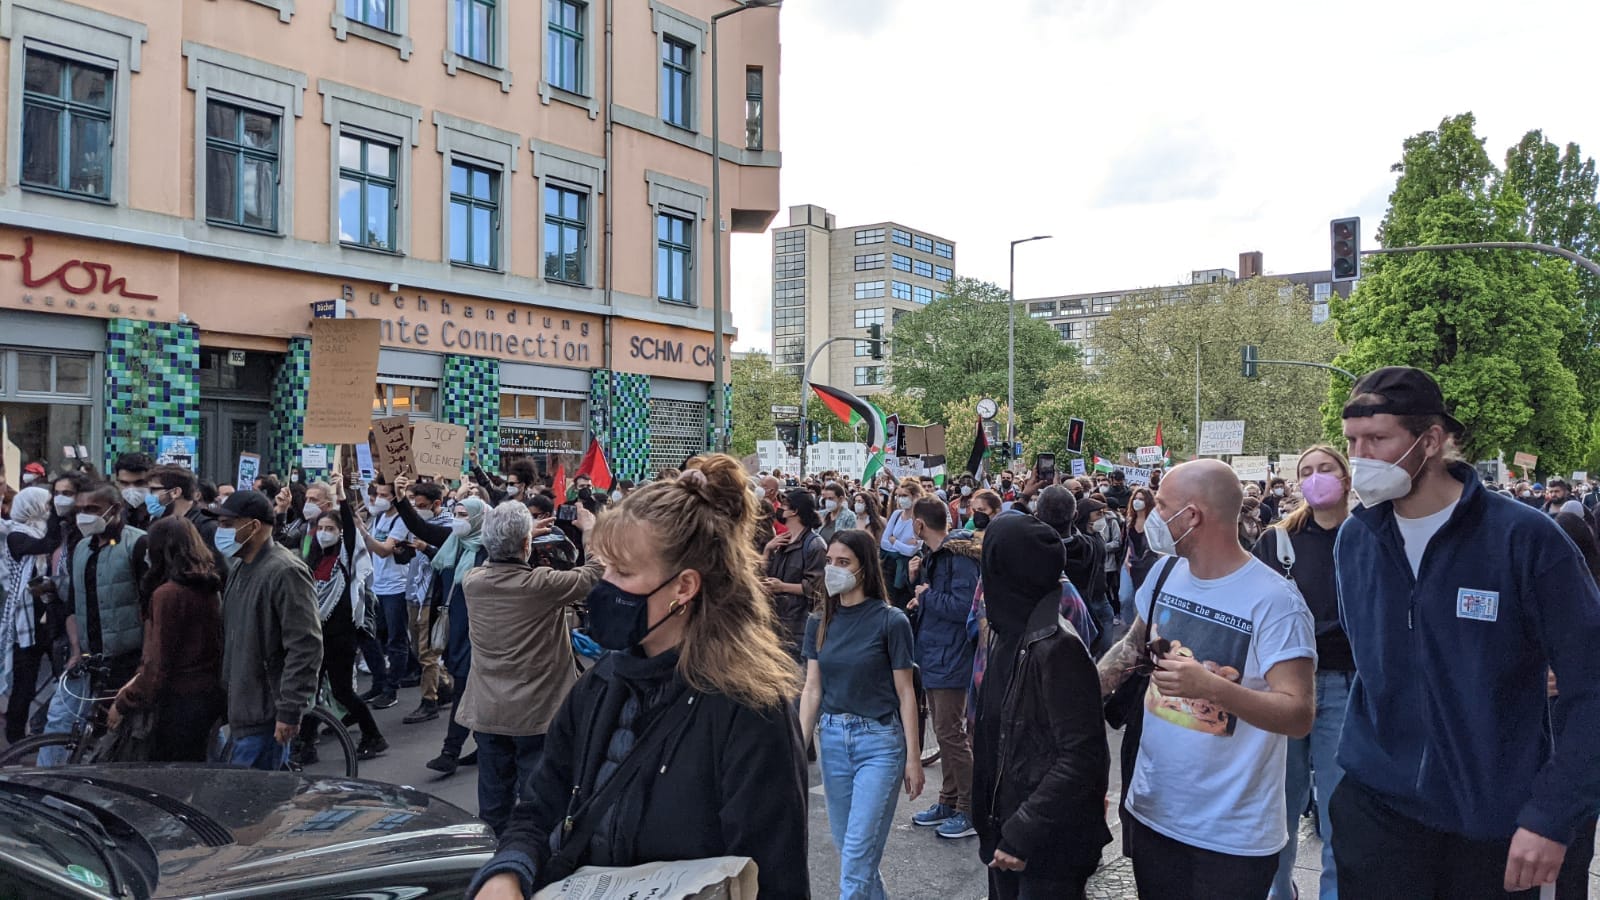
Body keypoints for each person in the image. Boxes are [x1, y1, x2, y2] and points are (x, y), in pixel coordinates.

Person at [465, 455, 808, 900]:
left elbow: (775, 879)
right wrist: (509, 872)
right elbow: (539, 806)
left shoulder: (748, 709)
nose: (604, 584)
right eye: (604, 567)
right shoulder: (600, 682)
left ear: (684, 587)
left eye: (623, 572)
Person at [1332, 366, 1600, 898]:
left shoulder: (1525, 540)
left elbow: (1591, 686)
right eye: (1352, 441)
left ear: (1430, 441)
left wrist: (1552, 813)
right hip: (1377, 812)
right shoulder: (1356, 540)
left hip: (1496, 823)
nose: (1359, 457)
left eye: (1378, 439)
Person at [1097, 460, 1315, 899]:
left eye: (1161, 505)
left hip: (1233, 836)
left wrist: (1211, 688)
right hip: (1155, 811)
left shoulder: (1275, 601)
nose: (1151, 515)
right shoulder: (1163, 574)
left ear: (1191, 515)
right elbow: (1131, 650)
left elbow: (1298, 714)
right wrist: (1067, 694)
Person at [973, 513, 1112, 900]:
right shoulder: (1011, 631)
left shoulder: (1057, 646)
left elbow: (1081, 757)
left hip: (1045, 846)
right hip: (1008, 829)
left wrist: (1021, 832)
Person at [457, 499, 603, 837]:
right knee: (536, 801)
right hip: (537, 713)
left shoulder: (472, 581)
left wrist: (516, 537)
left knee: (493, 802)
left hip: (489, 711)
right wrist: (590, 531)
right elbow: (596, 572)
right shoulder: (541, 585)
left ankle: (494, 861)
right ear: (527, 544)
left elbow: (492, 556)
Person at [798, 528, 922, 898]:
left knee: (855, 857)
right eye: (829, 561)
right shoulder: (818, 622)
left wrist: (913, 759)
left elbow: (906, 693)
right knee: (854, 853)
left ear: (864, 568)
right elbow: (812, 688)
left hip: (880, 743)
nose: (833, 569)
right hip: (833, 741)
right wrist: (797, 747)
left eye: (843, 562)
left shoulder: (891, 621)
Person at [1255, 446, 1354, 900]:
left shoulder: (1371, 535)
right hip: (1283, 687)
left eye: (1325, 469)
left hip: (1346, 686)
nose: (1316, 478)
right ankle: (1280, 892)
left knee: (1340, 812)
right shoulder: (1277, 541)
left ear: (1347, 476)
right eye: (1306, 472)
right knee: (1278, 808)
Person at [37, 482, 149, 766]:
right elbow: (74, 605)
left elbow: (150, 609)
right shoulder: (81, 547)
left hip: (127, 658)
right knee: (62, 722)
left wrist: (145, 663)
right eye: (81, 510)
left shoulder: (137, 544)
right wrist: (76, 650)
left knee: (120, 735)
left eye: (92, 509)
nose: (84, 516)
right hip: (88, 658)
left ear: (116, 510)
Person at [212, 489, 323, 771]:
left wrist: (289, 710)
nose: (220, 531)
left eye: (228, 524)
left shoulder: (285, 571)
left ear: (254, 526)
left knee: (255, 806)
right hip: (242, 708)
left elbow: (305, 645)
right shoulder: (240, 567)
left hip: (265, 713)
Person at [108, 516, 225, 762]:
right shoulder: (207, 586)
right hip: (205, 694)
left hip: (177, 700)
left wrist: (125, 702)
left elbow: (158, 662)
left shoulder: (168, 594)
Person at [394, 475, 487, 776]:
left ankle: (451, 751)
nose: (458, 519)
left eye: (464, 515)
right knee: (475, 692)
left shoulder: (487, 551)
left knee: (465, 689)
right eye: (456, 513)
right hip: (452, 630)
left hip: (478, 633)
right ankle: (487, 744)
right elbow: (420, 528)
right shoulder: (453, 543)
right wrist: (400, 500)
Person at [296, 474, 386, 763]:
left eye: (330, 528)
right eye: (321, 527)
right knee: (311, 689)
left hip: (341, 635)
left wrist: (341, 495)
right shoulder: (315, 556)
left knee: (342, 691)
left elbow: (348, 522)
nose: (323, 532)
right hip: (316, 632)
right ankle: (306, 743)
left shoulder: (345, 555)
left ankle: (373, 735)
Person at [905, 498, 980, 840]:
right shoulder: (939, 557)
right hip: (937, 650)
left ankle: (970, 807)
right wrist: (920, 591)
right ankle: (949, 800)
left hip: (951, 653)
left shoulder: (956, 557)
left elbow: (963, 606)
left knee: (951, 732)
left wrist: (927, 595)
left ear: (920, 525)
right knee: (945, 730)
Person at [0, 486, 60, 744]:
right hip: (26, 619)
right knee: (25, 684)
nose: (48, 509)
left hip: (51, 616)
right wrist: (59, 514)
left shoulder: (40, 530)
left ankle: (48, 730)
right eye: (46, 505)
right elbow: (45, 544)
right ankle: (15, 740)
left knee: (63, 675)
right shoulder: (16, 535)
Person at [355, 479, 414, 711]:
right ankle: (387, 680)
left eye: (383, 494)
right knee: (376, 635)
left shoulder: (401, 521)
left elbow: (383, 550)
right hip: (378, 585)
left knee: (396, 640)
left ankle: (391, 689)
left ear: (394, 497)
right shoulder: (380, 517)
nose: (378, 498)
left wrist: (363, 533)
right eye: (376, 493)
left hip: (396, 587)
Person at [1036, 487, 1111, 654]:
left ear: (1037, 516)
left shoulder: (1036, 551)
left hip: (1046, 628)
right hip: (1083, 618)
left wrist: (1025, 497)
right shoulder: (1088, 547)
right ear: (1076, 516)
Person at [403, 480, 454, 725]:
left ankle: (429, 701)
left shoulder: (448, 526)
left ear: (436, 504)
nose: (417, 508)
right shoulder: (415, 524)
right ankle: (444, 682)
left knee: (427, 652)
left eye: (421, 505)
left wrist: (425, 548)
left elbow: (444, 561)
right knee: (417, 649)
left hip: (431, 595)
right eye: (414, 504)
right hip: (413, 591)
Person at [762, 489, 827, 663]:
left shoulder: (815, 545)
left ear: (794, 511)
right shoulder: (783, 540)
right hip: (777, 619)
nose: (780, 509)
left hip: (799, 624)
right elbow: (765, 575)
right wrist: (768, 550)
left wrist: (782, 586)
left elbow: (816, 588)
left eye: (784, 505)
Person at [879, 479, 922, 609]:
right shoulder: (897, 514)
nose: (901, 499)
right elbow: (884, 542)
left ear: (915, 497)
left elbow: (912, 550)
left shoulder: (920, 518)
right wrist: (902, 544)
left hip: (910, 569)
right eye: (899, 496)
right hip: (890, 567)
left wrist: (895, 541)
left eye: (905, 496)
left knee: (903, 603)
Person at [112, 451, 155, 530]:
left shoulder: (162, 513)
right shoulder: (111, 514)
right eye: (124, 483)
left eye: (139, 483)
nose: (131, 489)